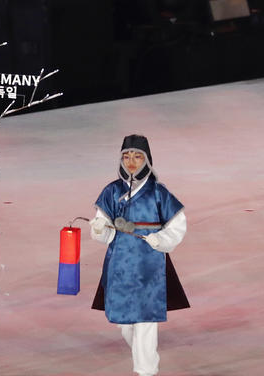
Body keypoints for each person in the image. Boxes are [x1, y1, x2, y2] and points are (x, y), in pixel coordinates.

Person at [90, 135, 189, 376]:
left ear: (147, 159)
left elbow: (178, 225)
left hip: (149, 265)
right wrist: (98, 229)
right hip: (120, 264)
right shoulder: (111, 191)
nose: (131, 161)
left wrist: (161, 239)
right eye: (127, 156)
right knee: (125, 324)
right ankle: (144, 361)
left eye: (137, 156)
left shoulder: (158, 192)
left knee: (145, 321)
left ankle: (146, 370)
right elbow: (101, 224)